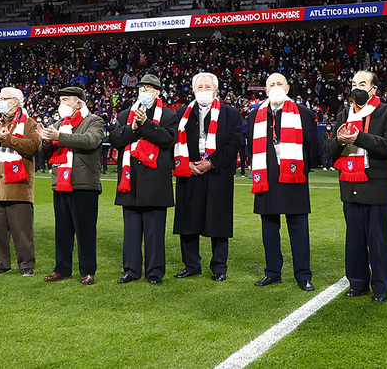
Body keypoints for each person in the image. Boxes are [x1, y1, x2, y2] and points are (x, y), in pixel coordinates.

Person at [323, 71, 387, 302]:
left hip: (376, 188)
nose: (357, 88)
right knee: (354, 241)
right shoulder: (343, 114)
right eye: (354, 83)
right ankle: (357, 283)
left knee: (378, 242)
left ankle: (380, 287)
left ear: (373, 89)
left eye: (363, 84)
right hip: (349, 186)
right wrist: (338, 140)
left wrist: (359, 138)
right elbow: (329, 149)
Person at [248, 72, 320, 291]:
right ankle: (272, 272)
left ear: (287, 88)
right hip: (266, 178)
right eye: (272, 84)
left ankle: (303, 275)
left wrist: (302, 170)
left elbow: (312, 147)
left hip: (294, 176)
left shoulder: (303, 113)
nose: (276, 87)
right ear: (266, 90)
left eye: (280, 83)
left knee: (298, 227)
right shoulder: (255, 115)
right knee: (269, 227)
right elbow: (251, 147)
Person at [109, 74, 180, 285]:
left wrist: (146, 124)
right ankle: (131, 270)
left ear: (158, 92)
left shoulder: (169, 115)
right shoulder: (124, 115)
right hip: (131, 181)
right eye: (141, 88)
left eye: (149, 88)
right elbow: (115, 139)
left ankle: (154, 272)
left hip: (155, 182)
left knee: (154, 232)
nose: (144, 92)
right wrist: (132, 128)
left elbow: (167, 140)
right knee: (131, 231)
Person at [171, 72, 242, 282]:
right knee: (188, 221)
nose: (203, 91)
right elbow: (175, 142)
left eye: (207, 87)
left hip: (217, 174)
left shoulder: (231, 114)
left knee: (218, 221)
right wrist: (188, 164)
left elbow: (233, 144)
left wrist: (212, 162)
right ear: (193, 91)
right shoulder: (182, 113)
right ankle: (191, 265)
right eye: (199, 87)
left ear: (216, 90)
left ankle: (219, 267)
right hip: (189, 172)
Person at [39, 87, 105, 286]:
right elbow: (46, 154)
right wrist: (45, 141)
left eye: (66, 100)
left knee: (85, 230)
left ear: (78, 103)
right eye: (60, 100)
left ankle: (87, 270)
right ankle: (62, 268)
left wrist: (58, 136)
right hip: (60, 181)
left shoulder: (94, 120)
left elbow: (90, 140)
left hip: (83, 183)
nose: (62, 104)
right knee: (62, 230)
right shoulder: (59, 124)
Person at [0, 87, 41, 276]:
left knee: (22, 229)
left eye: (5, 99)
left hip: (18, 185)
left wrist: (7, 139)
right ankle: (2, 263)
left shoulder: (28, 123)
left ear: (16, 102)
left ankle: (26, 264)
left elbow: (32, 146)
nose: (0, 102)